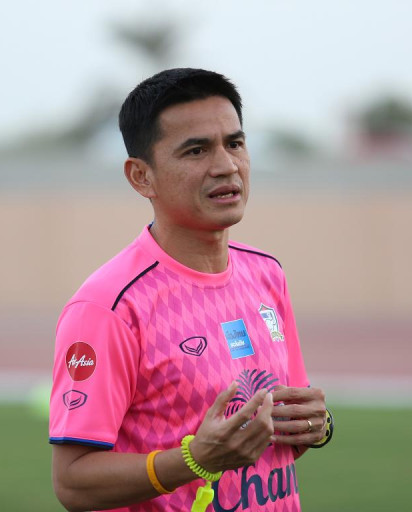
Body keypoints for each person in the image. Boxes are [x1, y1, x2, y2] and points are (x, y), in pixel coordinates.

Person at [49, 68, 330, 512]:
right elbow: (73, 483)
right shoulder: (110, 305)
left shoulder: (267, 274)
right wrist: (193, 460)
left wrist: (315, 426)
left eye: (234, 144)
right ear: (141, 176)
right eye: (196, 150)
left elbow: (281, 436)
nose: (226, 166)